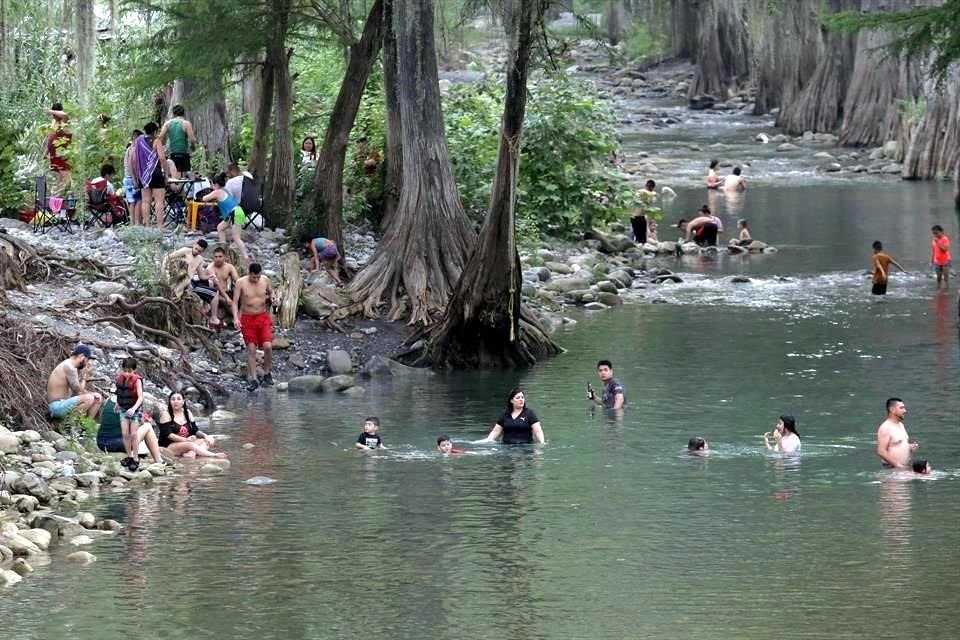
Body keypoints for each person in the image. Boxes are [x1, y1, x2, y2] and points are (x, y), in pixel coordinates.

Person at [233, 262, 276, 391]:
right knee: (251, 349)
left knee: (268, 346)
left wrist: (273, 297)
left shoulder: (265, 280)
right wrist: (236, 318)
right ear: (249, 273)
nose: (256, 279)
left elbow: (271, 292)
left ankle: (267, 373)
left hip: (263, 317)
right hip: (247, 318)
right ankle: (254, 379)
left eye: (258, 277)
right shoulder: (240, 282)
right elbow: (235, 302)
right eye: (253, 277)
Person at [157, 392, 227, 459]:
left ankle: (192, 454)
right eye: (173, 399)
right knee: (190, 445)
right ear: (170, 401)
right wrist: (185, 440)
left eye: (178, 399)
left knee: (208, 440)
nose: (176, 401)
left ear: (183, 401)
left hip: (186, 443)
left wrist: (206, 436)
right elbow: (168, 435)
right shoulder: (165, 414)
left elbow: (195, 430)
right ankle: (213, 455)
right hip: (169, 446)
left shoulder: (187, 413)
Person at [96, 393, 163, 463]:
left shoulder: (109, 399)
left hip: (101, 442)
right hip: (117, 443)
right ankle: (159, 460)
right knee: (148, 426)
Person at [46, 344, 103, 420]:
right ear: (82, 356)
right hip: (56, 406)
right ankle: (68, 425)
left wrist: (92, 394)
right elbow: (78, 392)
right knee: (89, 398)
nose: (87, 363)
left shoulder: (70, 366)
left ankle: (86, 427)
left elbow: (77, 392)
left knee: (97, 397)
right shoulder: (69, 367)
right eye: (87, 359)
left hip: (64, 402)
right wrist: (85, 376)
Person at [203, 172, 249, 262]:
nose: (212, 186)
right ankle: (223, 250)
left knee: (236, 237)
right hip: (234, 212)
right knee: (220, 228)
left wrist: (209, 193)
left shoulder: (217, 192)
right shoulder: (225, 190)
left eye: (212, 184)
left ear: (216, 184)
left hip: (235, 214)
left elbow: (204, 198)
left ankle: (246, 257)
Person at [129, 122, 167, 231]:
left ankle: (147, 225)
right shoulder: (156, 141)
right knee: (159, 201)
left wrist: (136, 175)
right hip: (156, 173)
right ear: (155, 131)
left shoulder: (138, 142)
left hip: (143, 175)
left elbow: (134, 159)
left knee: (145, 201)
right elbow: (162, 158)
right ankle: (160, 227)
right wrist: (166, 173)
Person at [479, 389, 546, 445]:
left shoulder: (529, 413)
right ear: (511, 401)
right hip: (506, 446)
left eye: (522, 397)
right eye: (518, 398)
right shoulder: (505, 414)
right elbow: (496, 431)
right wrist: (488, 440)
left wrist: (542, 443)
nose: (521, 399)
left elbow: (538, 431)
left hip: (525, 447)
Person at [115, 357, 147, 470]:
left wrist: (134, 409)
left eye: (130, 371)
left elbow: (140, 397)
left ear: (134, 370)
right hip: (123, 410)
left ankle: (136, 458)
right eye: (125, 370)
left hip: (135, 410)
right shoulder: (120, 379)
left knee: (133, 434)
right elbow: (119, 393)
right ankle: (129, 456)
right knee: (125, 434)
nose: (127, 373)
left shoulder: (137, 380)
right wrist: (117, 404)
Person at [876, 397, 918, 469]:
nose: (905, 411)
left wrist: (909, 447)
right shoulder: (886, 427)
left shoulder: (901, 425)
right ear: (892, 410)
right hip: (892, 469)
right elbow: (881, 451)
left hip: (902, 468)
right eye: (901, 408)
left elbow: (897, 444)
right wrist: (898, 465)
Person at [158, 104, 198, 173]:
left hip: (172, 154)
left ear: (173, 113)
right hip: (184, 154)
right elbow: (192, 139)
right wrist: (193, 147)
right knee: (184, 178)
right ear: (184, 113)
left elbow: (160, 137)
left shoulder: (168, 123)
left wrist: (160, 149)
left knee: (174, 176)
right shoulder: (186, 123)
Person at [208, 246, 241, 327]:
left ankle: (239, 318)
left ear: (224, 257)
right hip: (215, 295)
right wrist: (226, 298)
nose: (218, 259)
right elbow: (217, 284)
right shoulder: (210, 268)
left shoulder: (229, 267)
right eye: (215, 257)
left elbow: (238, 281)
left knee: (243, 298)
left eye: (220, 256)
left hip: (227, 291)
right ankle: (238, 320)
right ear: (213, 257)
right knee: (228, 303)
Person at [45, 102, 72, 195]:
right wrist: (46, 152)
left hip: (62, 154)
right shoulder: (53, 122)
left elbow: (65, 115)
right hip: (53, 155)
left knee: (66, 179)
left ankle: (66, 197)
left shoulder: (64, 121)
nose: (53, 116)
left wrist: (51, 111)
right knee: (57, 179)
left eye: (54, 114)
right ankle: (57, 198)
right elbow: (50, 137)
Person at [122, 129, 144, 224]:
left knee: (131, 201)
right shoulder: (135, 149)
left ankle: (132, 222)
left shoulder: (129, 149)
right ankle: (137, 222)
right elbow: (133, 165)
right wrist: (136, 179)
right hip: (133, 178)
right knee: (138, 200)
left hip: (127, 178)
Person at [632, 180, 657, 245]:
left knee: (637, 237)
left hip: (632, 217)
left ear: (645, 185)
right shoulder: (649, 194)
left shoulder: (638, 192)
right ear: (652, 188)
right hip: (640, 217)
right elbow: (652, 199)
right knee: (642, 239)